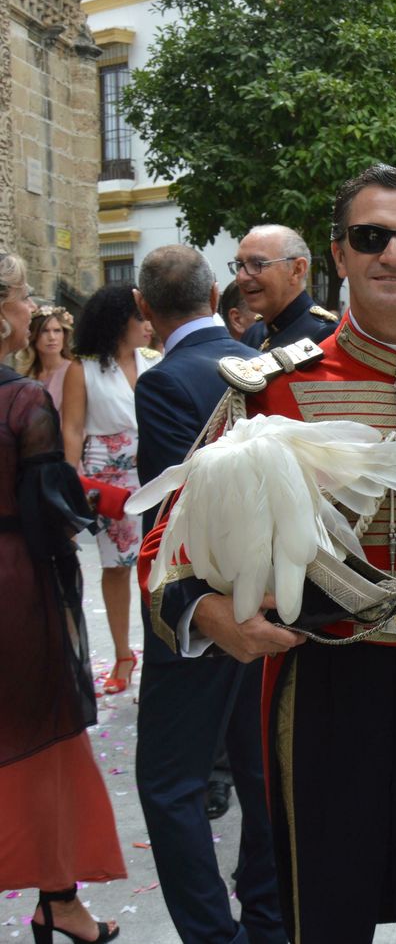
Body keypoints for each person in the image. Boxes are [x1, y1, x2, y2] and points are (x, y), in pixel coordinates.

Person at [142, 164, 396, 942]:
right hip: (321, 688)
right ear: (339, 253)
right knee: (325, 922)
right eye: (371, 237)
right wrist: (216, 617)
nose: (394, 253)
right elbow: (165, 547)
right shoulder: (271, 388)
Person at [130, 246, 285, 944]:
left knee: (169, 785)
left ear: (142, 310)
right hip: (272, 596)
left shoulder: (166, 381)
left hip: (201, 607)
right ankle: (267, 915)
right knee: (259, 773)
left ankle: (211, 935)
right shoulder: (266, 363)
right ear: (217, 291)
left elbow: (171, 517)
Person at [0, 254, 127, 944]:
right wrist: (111, 502)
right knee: (42, 739)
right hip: (14, 586)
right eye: (23, 297)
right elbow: (51, 503)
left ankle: (60, 901)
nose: (30, 309)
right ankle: (58, 898)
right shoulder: (22, 399)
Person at [59, 283, 156, 697]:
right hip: (107, 481)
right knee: (116, 569)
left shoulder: (154, 360)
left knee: (157, 567)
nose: (148, 325)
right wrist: (69, 484)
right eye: (139, 317)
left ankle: (157, 652)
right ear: (120, 323)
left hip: (151, 474)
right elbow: (72, 429)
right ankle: (122, 653)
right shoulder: (83, 369)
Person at [233, 225, 339, 352]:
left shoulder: (324, 335)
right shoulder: (252, 334)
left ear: (296, 270)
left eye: (257, 264)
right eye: (240, 265)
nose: (241, 277)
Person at [23, 304, 74, 410]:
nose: (52, 337)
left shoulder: (73, 371)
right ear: (34, 335)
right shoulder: (26, 373)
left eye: (57, 330)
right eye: (44, 331)